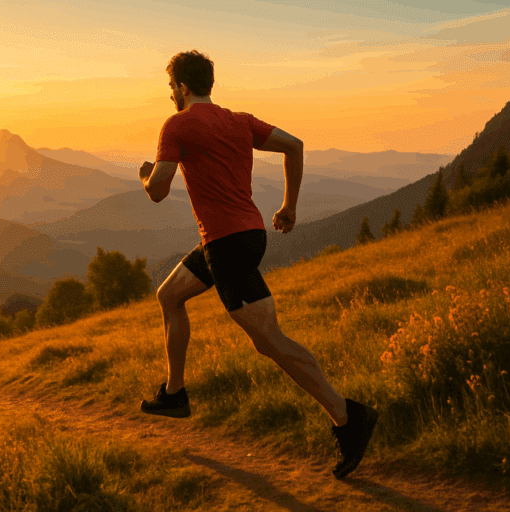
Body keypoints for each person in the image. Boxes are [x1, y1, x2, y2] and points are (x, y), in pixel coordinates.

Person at [138, 49, 378, 479]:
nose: (170, 95)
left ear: (183, 87)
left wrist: (144, 174)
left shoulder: (176, 125)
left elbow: (157, 190)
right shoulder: (240, 121)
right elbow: (295, 146)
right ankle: (174, 393)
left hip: (227, 246)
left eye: (171, 88)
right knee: (170, 295)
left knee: (270, 341)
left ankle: (347, 416)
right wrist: (289, 206)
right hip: (243, 236)